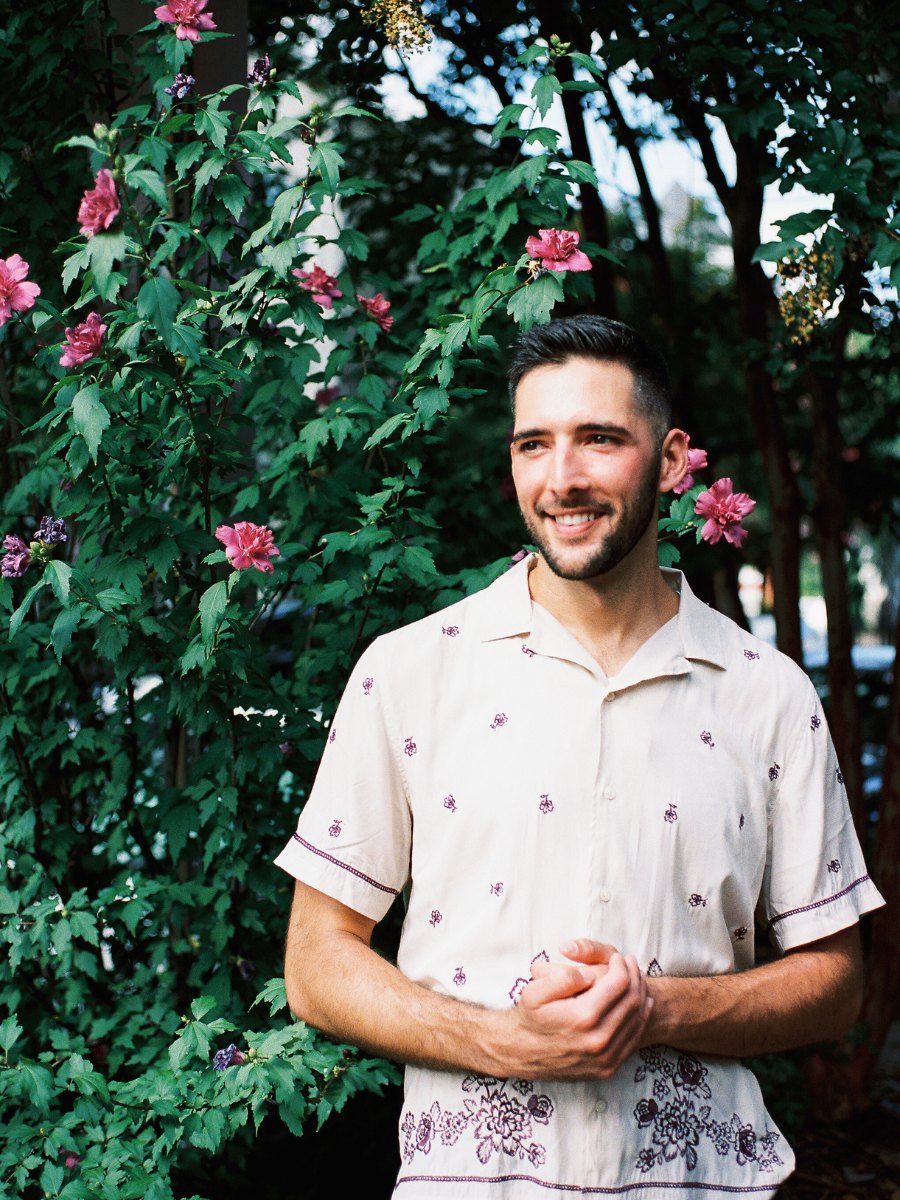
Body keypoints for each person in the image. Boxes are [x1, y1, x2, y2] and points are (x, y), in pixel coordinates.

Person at [275, 315, 884, 1198]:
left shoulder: (769, 694)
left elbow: (836, 982)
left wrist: (660, 1008)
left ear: (673, 461)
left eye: (599, 439)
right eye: (534, 444)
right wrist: (497, 1040)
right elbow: (316, 962)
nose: (563, 478)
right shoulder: (410, 672)